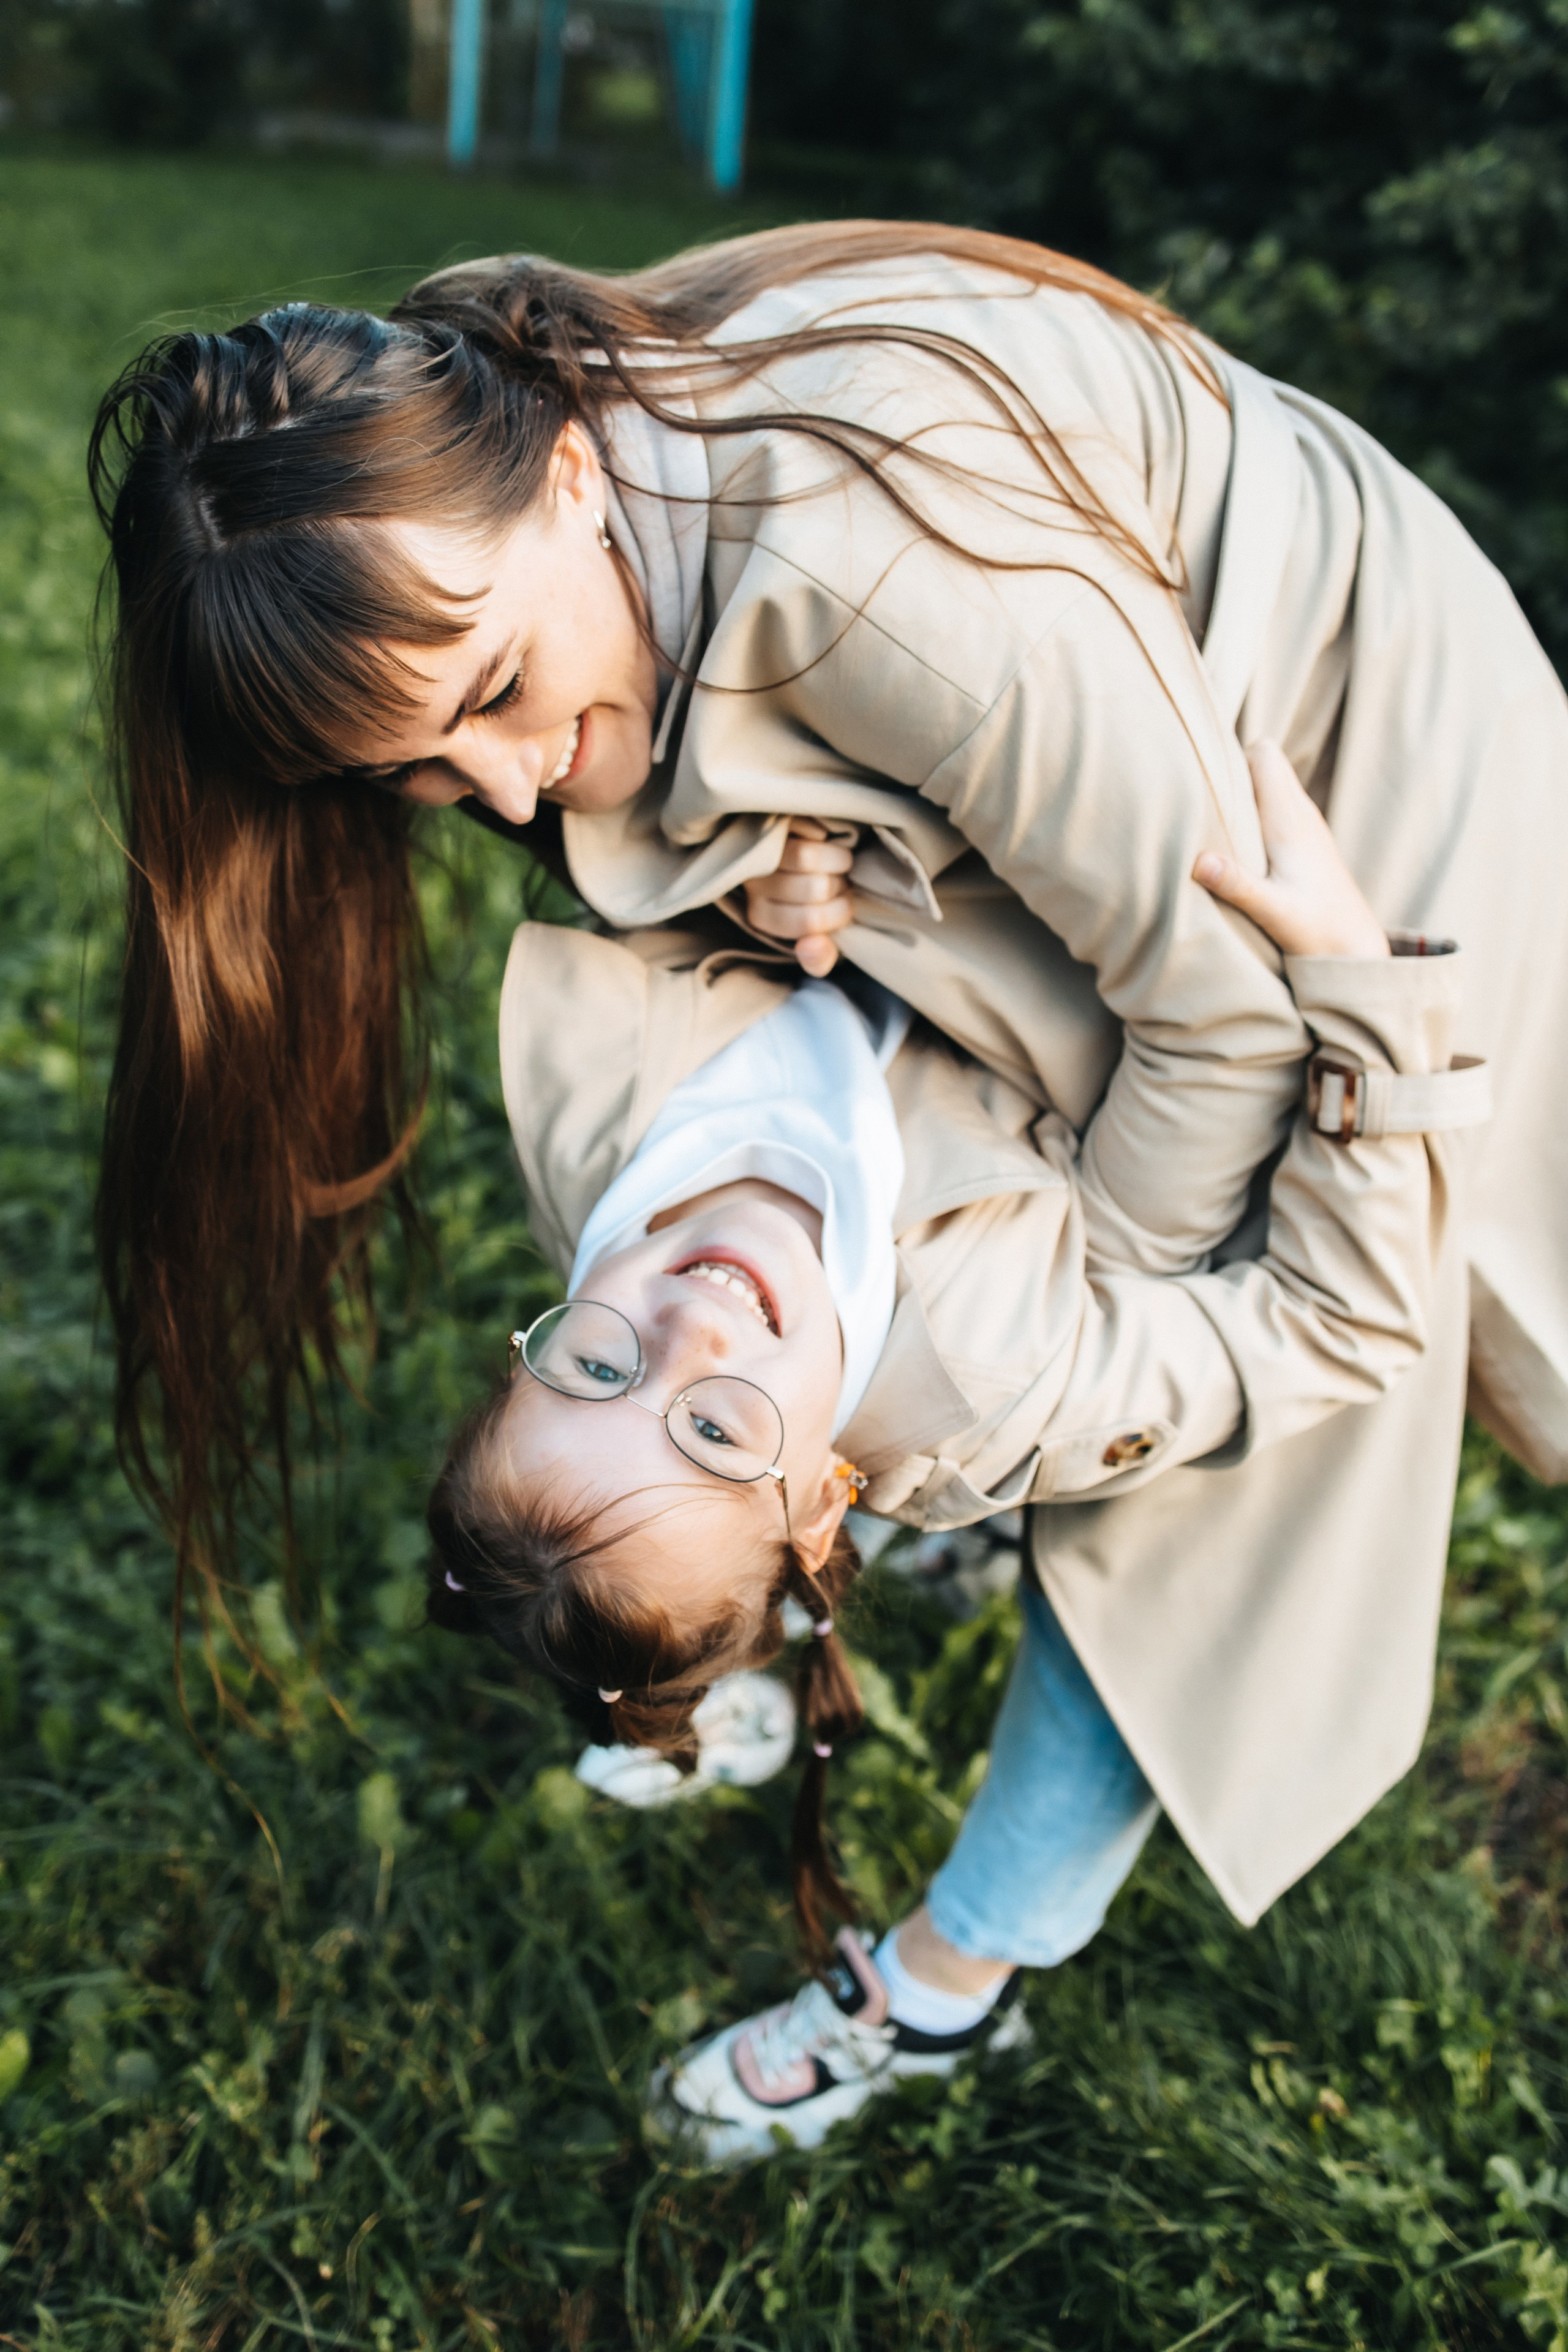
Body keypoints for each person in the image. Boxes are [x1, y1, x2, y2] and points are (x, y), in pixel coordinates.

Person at [90, 220, 1563, 1911]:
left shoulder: (859, 580)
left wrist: (1050, 1335)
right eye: (409, 773)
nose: (505, 796)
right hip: (1098, 779)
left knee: (1272, 1372)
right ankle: (910, 1553)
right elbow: (782, 861)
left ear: (571, 478)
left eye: (495, 688)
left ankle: (972, 1948)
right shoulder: (532, 468)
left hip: (1326, 737)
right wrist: (798, 861)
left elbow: (1224, 1029)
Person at [427, 745, 1486, 2163]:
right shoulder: (1005, 1365)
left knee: (780, 1498)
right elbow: (1337, 1318)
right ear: (822, 1493)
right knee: (1137, 1613)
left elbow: (662, 858)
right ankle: (944, 1987)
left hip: (1045, 994)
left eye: (596, 1362)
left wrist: (766, 862)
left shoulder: (580, 1113)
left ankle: (736, 1627)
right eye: (716, 1426)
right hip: (1223, 1222)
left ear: (527, 1346)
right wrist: (1370, 1005)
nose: (684, 1331)